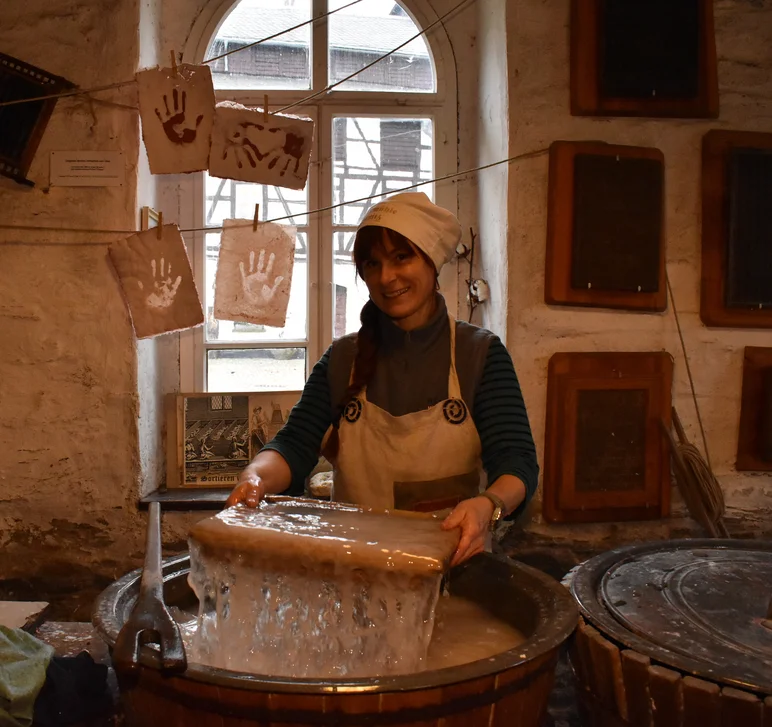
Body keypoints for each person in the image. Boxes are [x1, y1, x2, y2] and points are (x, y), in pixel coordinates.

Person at [227, 192, 539, 566]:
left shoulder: (479, 354)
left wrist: (488, 504)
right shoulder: (343, 359)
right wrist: (255, 478)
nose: (386, 277)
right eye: (372, 264)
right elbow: (294, 446)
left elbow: (517, 463)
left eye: (401, 257)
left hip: (454, 571)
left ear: (431, 262)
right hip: (353, 570)